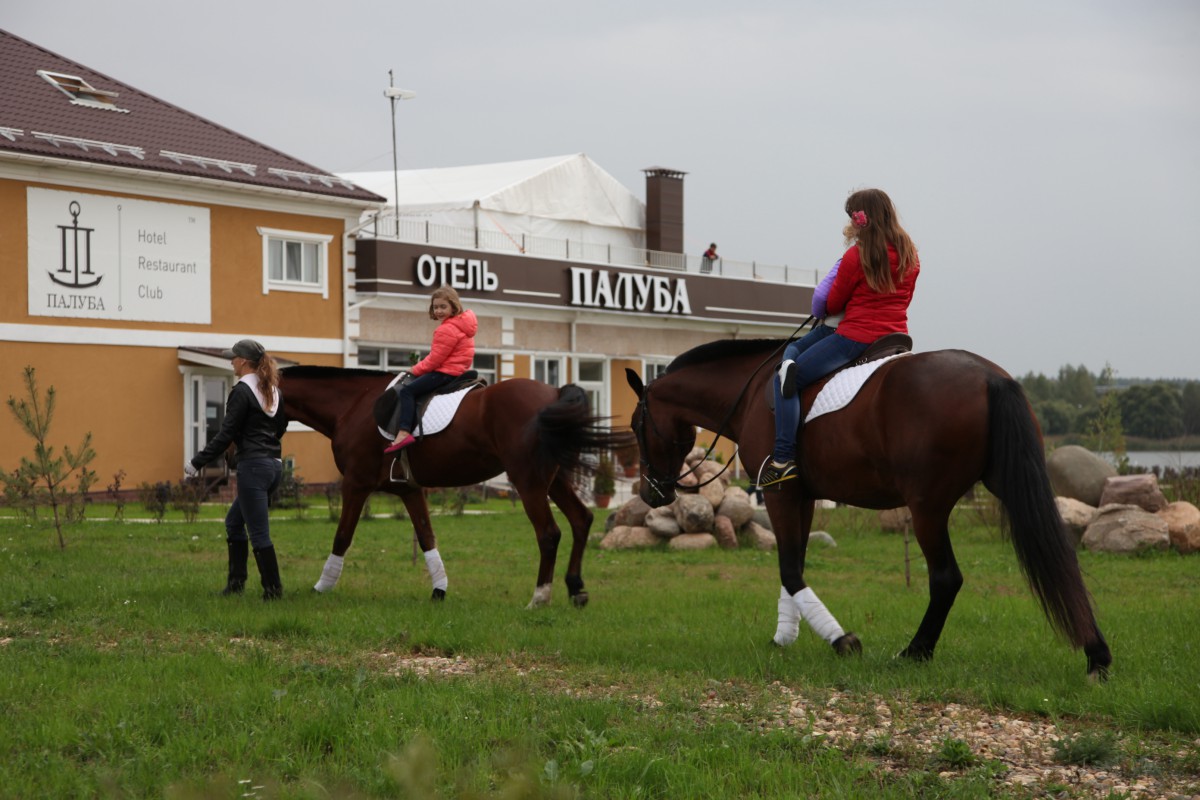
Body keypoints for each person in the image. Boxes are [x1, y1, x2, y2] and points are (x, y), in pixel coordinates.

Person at [758, 188, 920, 490]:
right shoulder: (911, 255)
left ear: (861, 220)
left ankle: (783, 459)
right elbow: (905, 299)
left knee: (788, 377)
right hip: (895, 337)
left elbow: (832, 304)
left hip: (855, 338)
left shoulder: (856, 256)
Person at [185, 339, 288, 599]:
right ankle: (236, 584)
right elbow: (280, 428)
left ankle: (273, 591)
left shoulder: (242, 391)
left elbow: (225, 434)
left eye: (233, 358)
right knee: (233, 522)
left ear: (243, 361)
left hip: (253, 468)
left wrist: (198, 461)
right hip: (274, 466)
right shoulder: (274, 391)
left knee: (258, 533)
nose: (231, 361)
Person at [385, 285, 478, 453]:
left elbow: (435, 360)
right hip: (457, 371)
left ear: (453, 306)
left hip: (445, 373)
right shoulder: (462, 325)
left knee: (407, 392)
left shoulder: (447, 329)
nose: (439, 311)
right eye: (436, 307)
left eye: (443, 306)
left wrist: (415, 369)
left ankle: (404, 432)